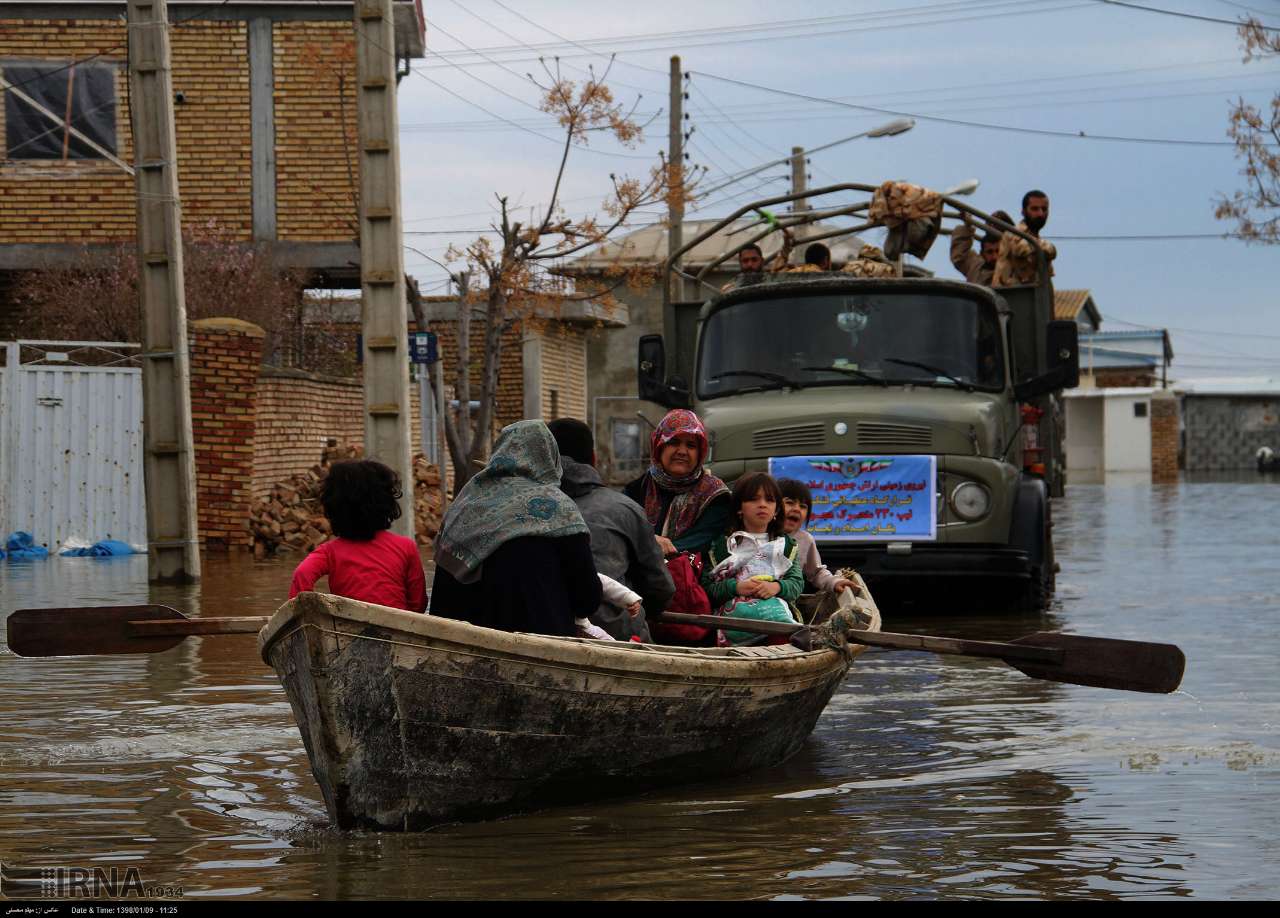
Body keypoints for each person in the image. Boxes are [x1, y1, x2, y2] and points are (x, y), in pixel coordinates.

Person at [429, 420, 604, 638]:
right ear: (550, 458)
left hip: (464, 646)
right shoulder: (558, 509)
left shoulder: (465, 503)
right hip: (538, 652)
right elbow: (587, 599)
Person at [548, 417, 675, 642]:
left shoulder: (526, 510)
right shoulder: (624, 508)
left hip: (546, 630)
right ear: (594, 459)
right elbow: (660, 587)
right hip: (620, 637)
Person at [289, 459, 427, 613]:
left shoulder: (329, 552)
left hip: (346, 630)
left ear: (334, 508)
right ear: (385, 504)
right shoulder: (406, 547)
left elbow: (302, 574)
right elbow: (418, 604)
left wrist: (302, 616)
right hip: (398, 630)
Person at [701, 472, 804, 645]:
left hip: (776, 620)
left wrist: (777, 587)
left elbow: (797, 583)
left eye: (769, 500)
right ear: (739, 508)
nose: (762, 505)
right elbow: (707, 587)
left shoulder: (785, 545)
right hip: (732, 624)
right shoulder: (722, 546)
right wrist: (736, 587)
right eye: (754, 499)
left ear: (777, 510)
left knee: (783, 634)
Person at [623, 408, 731, 558]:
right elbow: (622, 531)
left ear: (700, 453)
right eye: (673, 442)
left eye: (691, 446)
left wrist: (652, 545)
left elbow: (701, 540)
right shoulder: (636, 489)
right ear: (659, 447)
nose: (682, 451)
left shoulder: (715, 495)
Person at [776, 478, 857, 596]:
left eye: (803, 506)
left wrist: (833, 582)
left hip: (784, 602)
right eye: (789, 502)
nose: (797, 509)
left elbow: (816, 572)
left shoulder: (805, 540)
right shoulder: (761, 533)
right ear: (773, 505)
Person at [993, 191, 1056, 288]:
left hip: (1034, 299)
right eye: (1034, 209)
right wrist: (1049, 247)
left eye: (1044, 209)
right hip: (1012, 298)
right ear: (1023, 211)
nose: (1040, 214)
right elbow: (1023, 249)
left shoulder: (1035, 238)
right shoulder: (1013, 234)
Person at [950, 209, 1012, 286]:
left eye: (998, 251)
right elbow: (959, 257)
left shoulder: (1014, 266)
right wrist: (967, 226)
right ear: (982, 253)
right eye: (990, 252)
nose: (994, 257)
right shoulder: (976, 266)